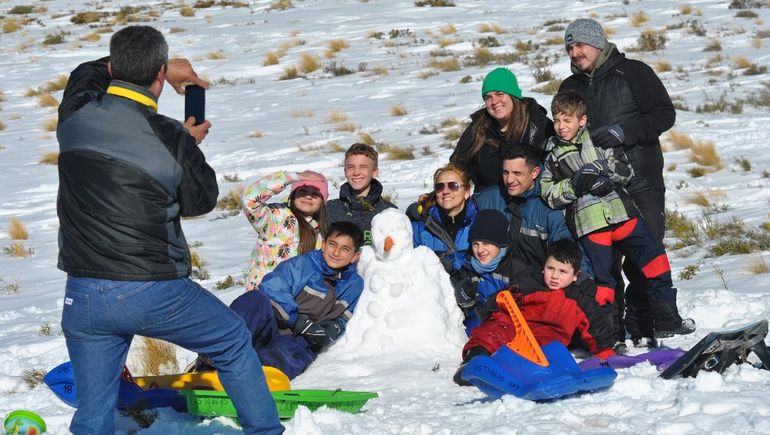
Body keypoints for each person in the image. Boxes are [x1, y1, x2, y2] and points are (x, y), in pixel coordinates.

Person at [56, 26, 282, 434]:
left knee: (93, 417)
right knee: (232, 340)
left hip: (83, 293)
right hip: (153, 289)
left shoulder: (76, 113)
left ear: (112, 66)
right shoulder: (169, 137)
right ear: (160, 74)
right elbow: (201, 200)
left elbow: (82, 76)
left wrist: (131, 66)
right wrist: (188, 144)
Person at [540, 90, 695, 345]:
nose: (560, 126)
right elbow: (549, 193)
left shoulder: (600, 140)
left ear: (582, 120)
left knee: (655, 259)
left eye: (567, 120)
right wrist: (576, 184)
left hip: (622, 214)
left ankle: (666, 318)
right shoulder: (552, 155)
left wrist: (603, 173)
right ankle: (609, 337)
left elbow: (625, 170)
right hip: (591, 224)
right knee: (603, 281)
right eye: (557, 120)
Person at [559, 18, 676, 346]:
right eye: (569, 47)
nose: (574, 51)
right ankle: (612, 334)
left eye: (579, 44)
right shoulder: (570, 86)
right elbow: (563, 129)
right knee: (604, 266)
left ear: (596, 43)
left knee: (647, 253)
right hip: (597, 191)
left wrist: (626, 133)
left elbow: (664, 113)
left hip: (641, 181)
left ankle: (645, 327)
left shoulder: (634, 72)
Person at [454, 239, 615, 386]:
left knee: (548, 354)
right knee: (496, 329)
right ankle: (474, 360)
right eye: (550, 268)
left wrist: (604, 350)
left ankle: (516, 370)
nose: (554, 276)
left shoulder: (579, 299)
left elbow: (595, 325)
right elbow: (502, 299)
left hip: (545, 342)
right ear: (543, 268)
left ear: (575, 276)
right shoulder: (530, 284)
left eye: (562, 271)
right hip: (518, 330)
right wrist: (489, 313)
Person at [224, 222, 365, 379]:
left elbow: (343, 317)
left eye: (345, 249)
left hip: (299, 339)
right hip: (273, 324)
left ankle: (259, 374)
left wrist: (330, 330)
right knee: (254, 300)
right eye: (333, 244)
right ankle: (219, 355)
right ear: (324, 244)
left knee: (288, 353)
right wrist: (296, 320)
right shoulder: (303, 264)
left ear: (355, 256)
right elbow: (272, 288)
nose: (336, 253)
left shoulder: (354, 284)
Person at [474, 145, 582, 276]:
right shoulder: (488, 198)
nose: (509, 180)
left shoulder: (549, 207)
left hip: (536, 284)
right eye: (505, 172)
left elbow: (568, 256)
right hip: (494, 281)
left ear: (535, 172)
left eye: (517, 173)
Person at [450, 67, 554, 192]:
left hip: (532, 203)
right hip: (489, 205)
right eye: (488, 97)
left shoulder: (538, 125)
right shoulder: (478, 129)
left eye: (500, 94)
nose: (494, 101)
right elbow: (456, 168)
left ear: (513, 95)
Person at [451, 209, 545, 333]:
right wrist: (465, 298)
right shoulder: (468, 267)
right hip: (477, 329)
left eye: (487, 243)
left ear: (500, 243)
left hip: (511, 330)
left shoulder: (517, 268)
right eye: (475, 244)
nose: (480, 250)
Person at [242, 170, 328, 290]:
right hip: (262, 295)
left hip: (295, 299)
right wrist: (291, 177)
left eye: (315, 194)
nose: (308, 196)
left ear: (322, 201)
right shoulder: (274, 217)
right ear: (293, 194)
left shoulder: (322, 230)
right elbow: (249, 198)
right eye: (303, 191)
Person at [411, 163, 478, 273]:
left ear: (467, 192)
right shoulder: (420, 228)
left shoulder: (480, 223)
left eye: (453, 185)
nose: (446, 191)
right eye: (440, 186)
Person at [326, 143, 397, 245]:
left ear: (375, 172)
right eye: (351, 167)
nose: (356, 173)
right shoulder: (330, 209)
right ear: (345, 171)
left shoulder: (388, 211)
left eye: (363, 167)